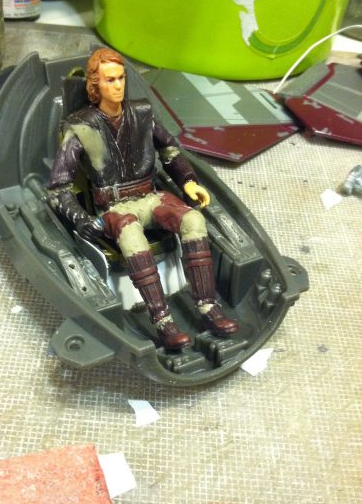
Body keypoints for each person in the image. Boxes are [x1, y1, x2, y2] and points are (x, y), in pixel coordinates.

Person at [47, 47, 238, 350]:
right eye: (110, 80)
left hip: (151, 196)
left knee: (193, 219)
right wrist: (81, 219)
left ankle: (207, 306)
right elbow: (58, 187)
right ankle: (163, 320)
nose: (118, 85)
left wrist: (188, 182)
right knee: (131, 234)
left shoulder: (142, 113)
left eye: (121, 78)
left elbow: (170, 151)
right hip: (113, 207)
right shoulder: (80, 126)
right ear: (95, 85)